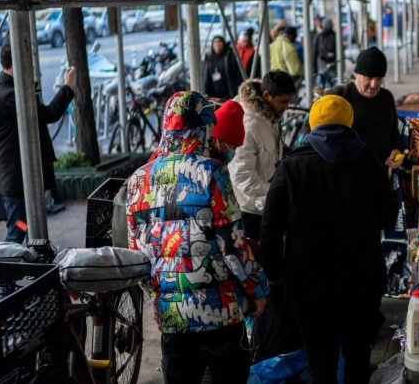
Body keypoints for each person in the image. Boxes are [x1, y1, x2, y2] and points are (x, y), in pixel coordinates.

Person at [126, 90, 268, 384]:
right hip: (221, 315)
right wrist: (257, 291)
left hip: (172, 320)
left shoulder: (138, 179)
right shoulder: (211, 172)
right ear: (205, 127)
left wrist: (162, 294)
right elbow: (233, 245)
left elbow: (137, 251)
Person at [260, 95, 397, 384]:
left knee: (320, 362)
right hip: (361, 279)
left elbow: (270, 228)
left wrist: (274, 275)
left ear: (312, 123)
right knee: (358, 357)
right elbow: (388, 216)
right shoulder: (369, 161)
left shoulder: (292, 165)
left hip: (308, 283)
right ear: (350, 122)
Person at [0, 43, 75, 244]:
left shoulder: (12, 91)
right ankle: (6, 270)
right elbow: (47, 114)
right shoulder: (9, 95)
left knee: (27, 226)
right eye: (28, 63)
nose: (32, 67)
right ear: (17, 63)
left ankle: (28, 267)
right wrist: (67, 87)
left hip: (22, 177)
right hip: (16, 180)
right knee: (18, 228)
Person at [228, 72, 296, 239]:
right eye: (283, 101)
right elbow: (241, 174)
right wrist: (272, 198)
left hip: (265, 204)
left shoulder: (269, 116)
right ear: (266, 95)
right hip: (250, 210)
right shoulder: (249, 124)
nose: (286, 107)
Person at [325, 46, 404, 170]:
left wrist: (396, 150)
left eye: (378, 79)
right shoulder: (338, 96)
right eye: (369, 78)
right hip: (346, 174)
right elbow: (310, 129)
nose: (374, 84)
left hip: (379, 173)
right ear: (356, 74)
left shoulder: (386, 97)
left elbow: (394, 133)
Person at [202, 35, 244, 100]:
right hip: (213, 94)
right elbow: (205, 75)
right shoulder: (209, 58)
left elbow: (237, 74)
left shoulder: (229, 56)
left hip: (228, 92)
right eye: (215, 42)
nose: (217, 44)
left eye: (219, 42)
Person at [314, 18, 337, 91]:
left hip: (322, 63)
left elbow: (314, 52)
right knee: (333, 84)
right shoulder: (335, 35)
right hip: (332, 63)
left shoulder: (319, 36)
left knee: (321, 84)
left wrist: (314, 68)